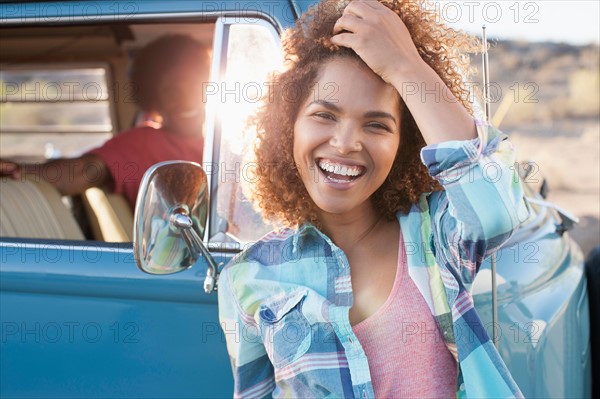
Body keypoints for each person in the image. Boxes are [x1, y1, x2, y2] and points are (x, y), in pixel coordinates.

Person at [217, 0, 529, 398]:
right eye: (324, 115)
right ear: (286, 127)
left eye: (377, 125)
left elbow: (495, 205)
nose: (345, 144)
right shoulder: (246, 278)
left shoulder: (434, 236)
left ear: (404, 144)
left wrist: (406, 66)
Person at [0, 34, 210, 211]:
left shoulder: (225, 144)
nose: (187, 98)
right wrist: (21, 171)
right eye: (172, 91)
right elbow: (83, 171)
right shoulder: (143, 144)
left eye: (195, 85)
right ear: (153, 98)